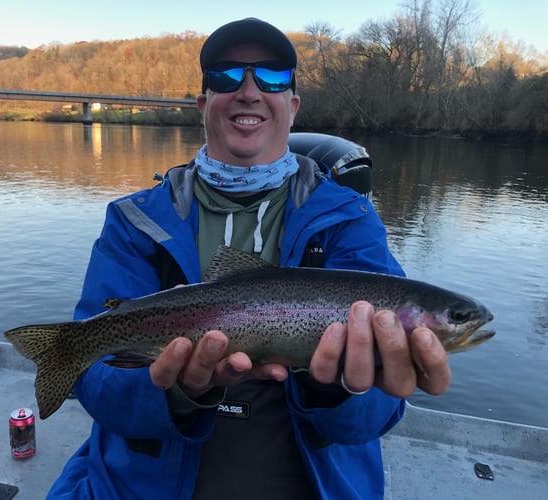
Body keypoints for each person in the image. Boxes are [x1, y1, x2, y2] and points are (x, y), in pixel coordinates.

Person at [47, 17, 451, 499]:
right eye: (225, 76)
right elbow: (97, 384)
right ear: (203, 104)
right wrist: (180, 390)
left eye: (273, 77)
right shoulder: (134, 221)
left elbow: (376, 418)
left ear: (293, 106)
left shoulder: (350, 219)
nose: (249, 90)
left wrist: (338, 388)